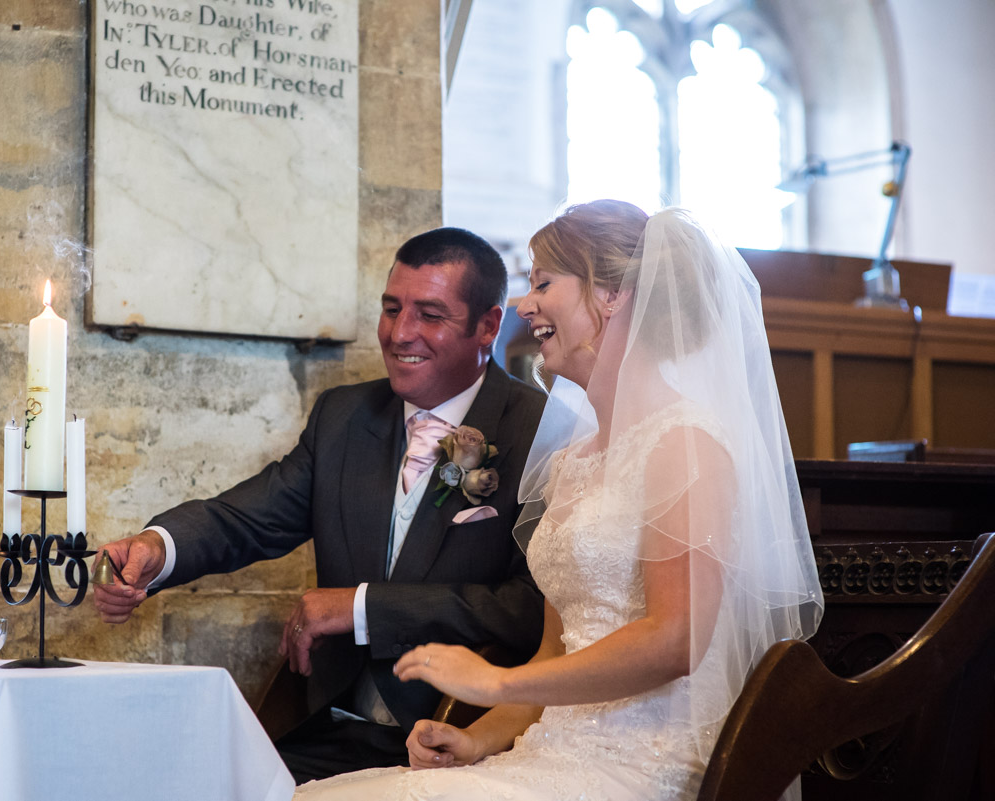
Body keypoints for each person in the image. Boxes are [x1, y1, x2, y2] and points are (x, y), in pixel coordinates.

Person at [295, 200, 824, 801]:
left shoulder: (686, 444)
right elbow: (556, 652)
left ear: (612, 294)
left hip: (650, 768)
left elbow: (677, 640)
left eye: (544, 282)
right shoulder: (574, 461)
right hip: (553, 755)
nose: (526, 306)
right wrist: (478, 739)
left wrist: (494, 682)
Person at [92, 227, 547, 783]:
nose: (400, 333)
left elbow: (529, 607)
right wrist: (156, 549)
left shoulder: (540, 430)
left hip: (457, 734)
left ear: (488, 326)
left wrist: (358, 608)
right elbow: (247, 517)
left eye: (430, 314)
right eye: (391, 308)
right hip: (324, 724)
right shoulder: (345, 416)